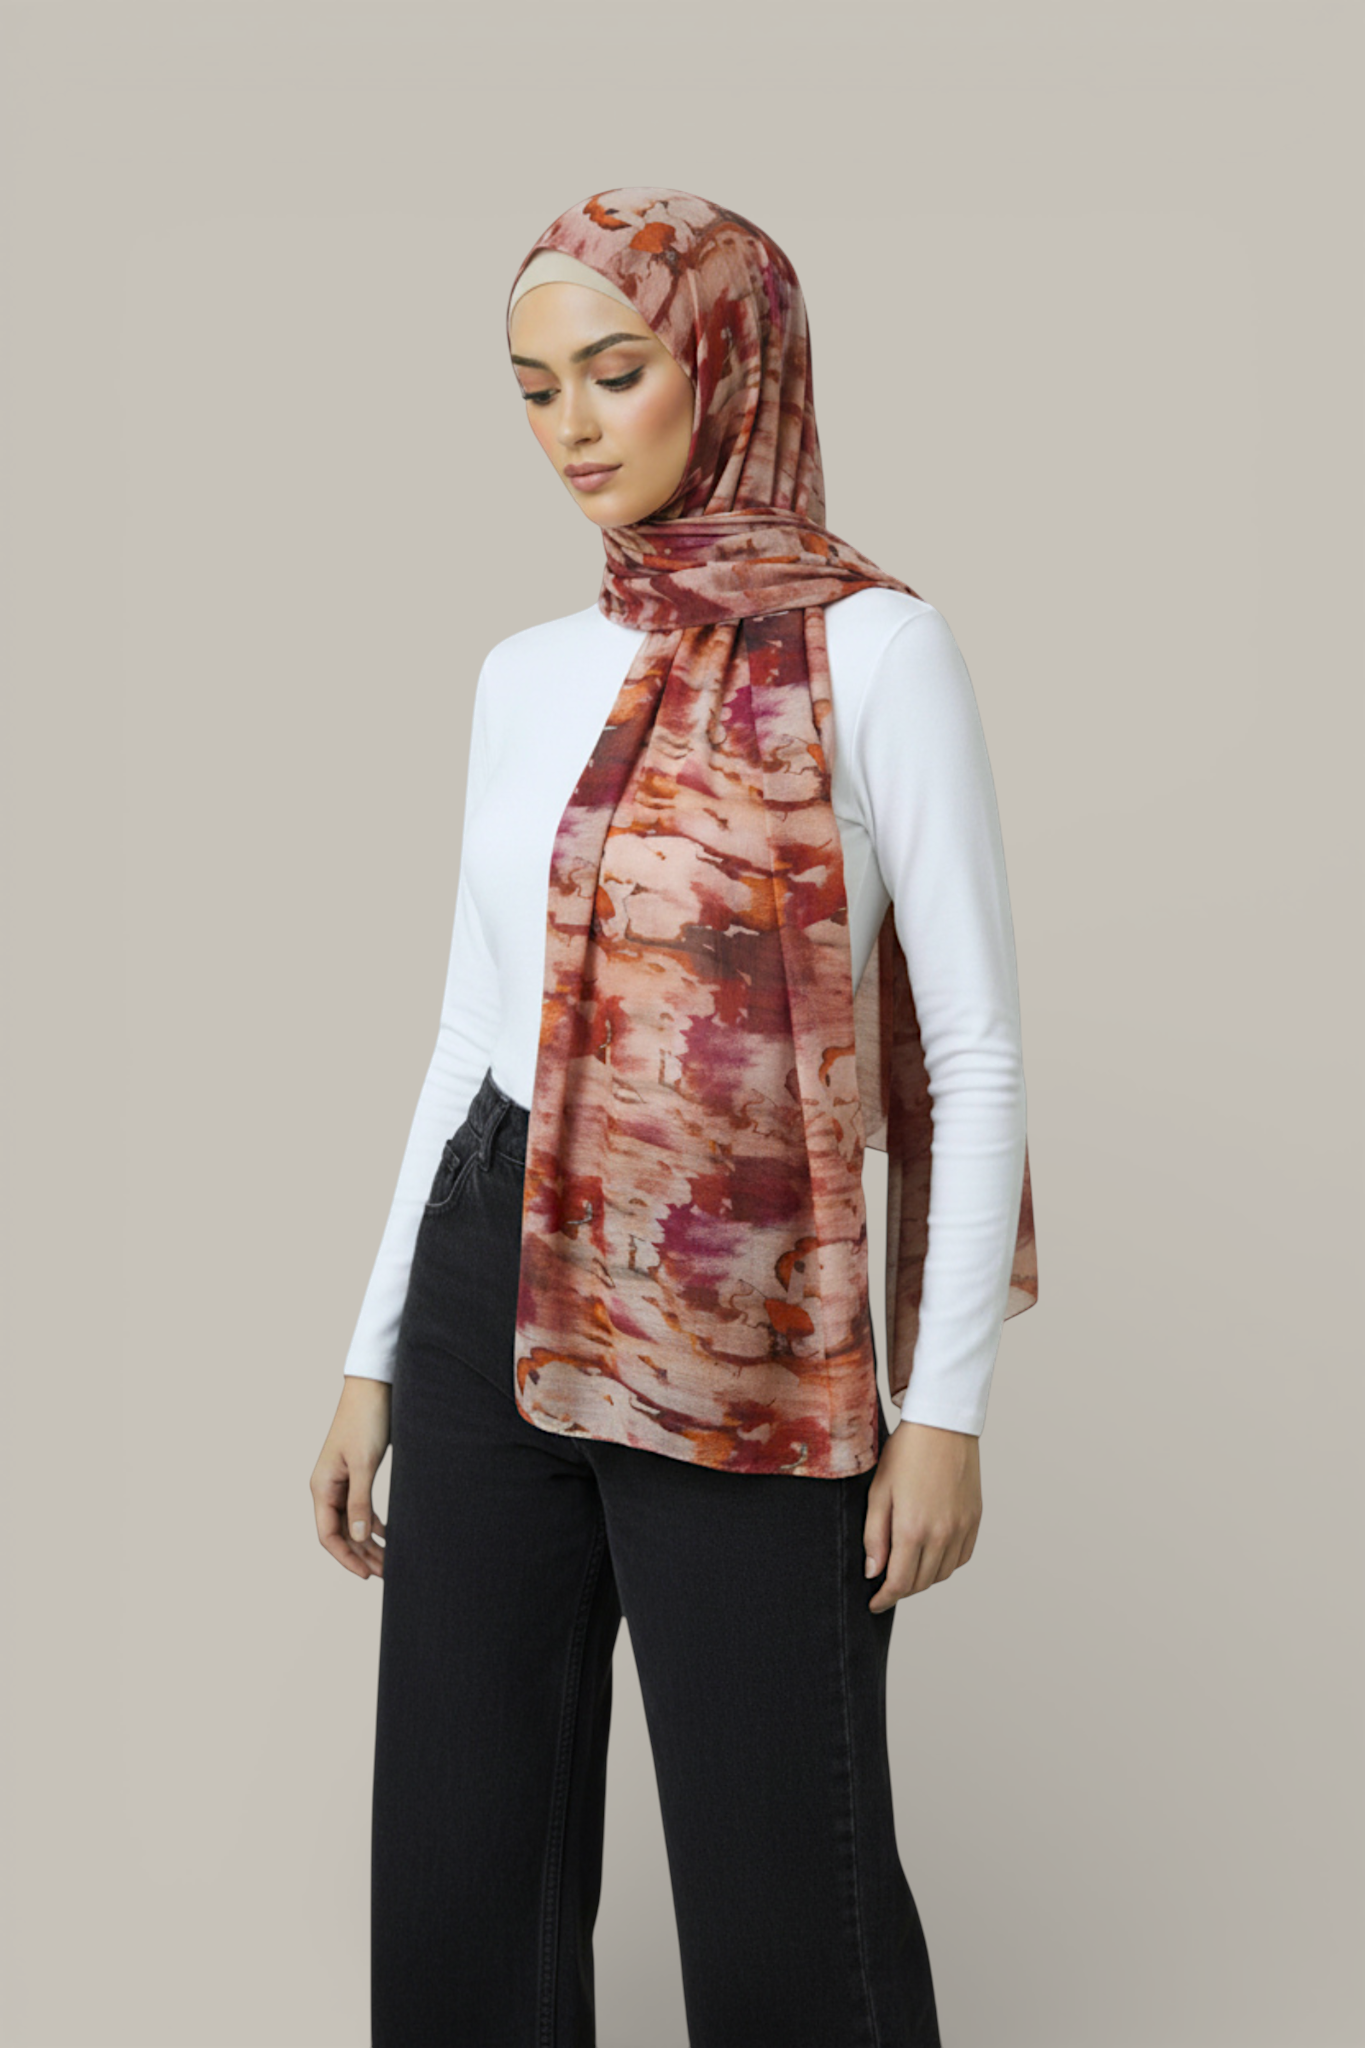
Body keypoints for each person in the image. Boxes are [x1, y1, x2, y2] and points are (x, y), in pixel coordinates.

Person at [310, 187, 1033, 2048]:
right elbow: (469, 1027)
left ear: (727, 362)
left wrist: (944, 1409)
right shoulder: (522, 674)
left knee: (789, 1887)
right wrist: (375, 1354)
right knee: (462, 1862)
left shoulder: (879, 652)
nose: (570, 425)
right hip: (489, 1269)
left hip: (745, 1312)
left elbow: (973, 1051)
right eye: (532, 386)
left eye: (615, 371)